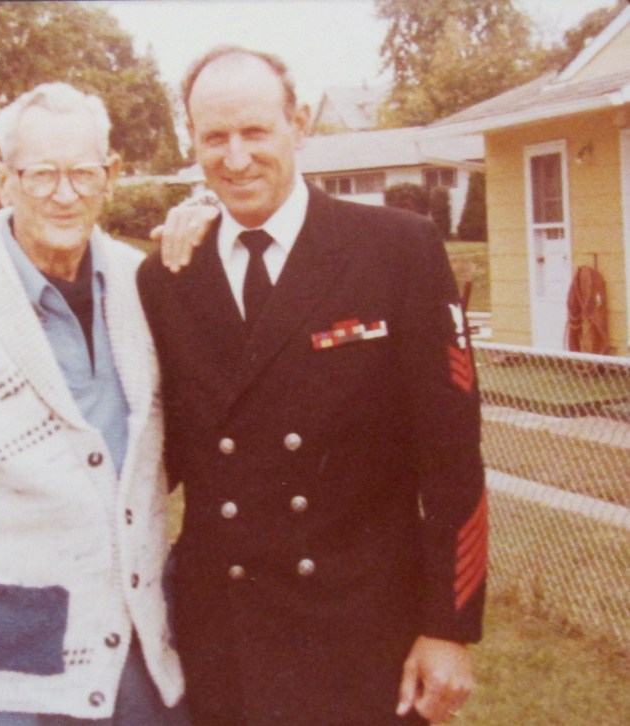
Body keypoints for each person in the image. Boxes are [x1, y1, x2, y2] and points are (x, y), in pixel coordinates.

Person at [137, 46, 487, 726]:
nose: (235, 158)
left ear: (298, 124)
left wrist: (449, 627)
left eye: (254, 132)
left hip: (364, 638)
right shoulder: (168, 279)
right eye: (214, 138)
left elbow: (452, 457)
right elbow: (159, 454)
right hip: (226, 643)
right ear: (192, 143)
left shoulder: (395, 250)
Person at [0, 82, 187, 726]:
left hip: (144, 666)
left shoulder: (145, 288)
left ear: (111, 176)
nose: (65, 193)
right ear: (2, 180)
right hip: (14, 682)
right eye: (42, 174)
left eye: (83, 173)